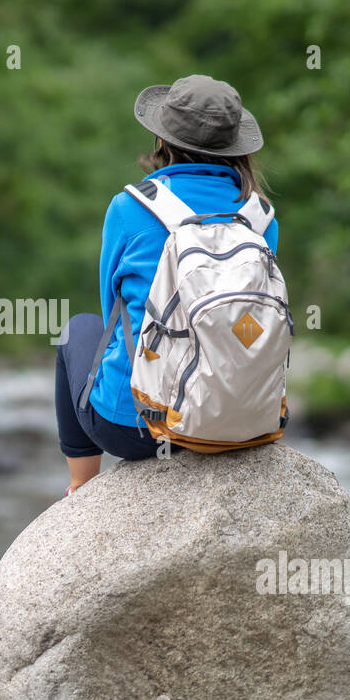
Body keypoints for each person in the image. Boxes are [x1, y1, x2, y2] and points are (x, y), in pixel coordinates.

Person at [54, 74, 279, 494]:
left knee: (79, 329)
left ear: (163, 140)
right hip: (239, 422)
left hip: (137, 429)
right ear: (237, 147)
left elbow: (113, 315)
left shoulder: (129, 207)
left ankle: (80, 487)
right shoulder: (261, 216)